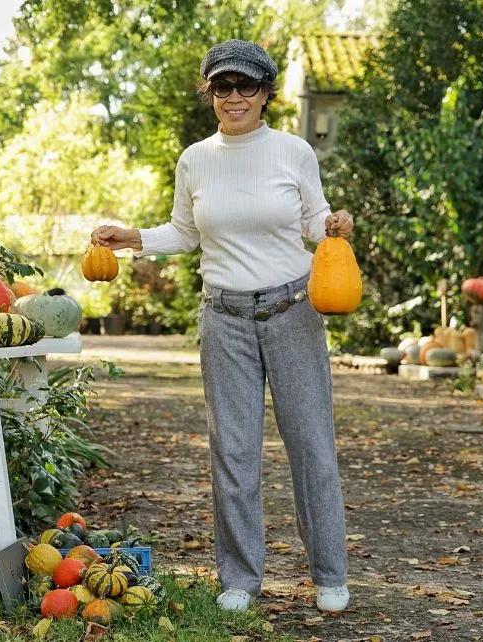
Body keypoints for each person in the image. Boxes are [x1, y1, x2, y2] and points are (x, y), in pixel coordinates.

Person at [90, 39, 353, 613]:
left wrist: (335, 225)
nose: (235, 97)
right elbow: (185, 232)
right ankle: (239, 579)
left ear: (266, 93)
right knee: (232, 452)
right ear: (210, 93)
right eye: (222, 87)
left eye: (247, 86)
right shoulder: (195, 159)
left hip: (293, 312)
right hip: (225, 317)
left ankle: (330, 574)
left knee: (311, 444)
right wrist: (131, 237)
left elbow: (313, 222)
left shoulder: (293, 151)